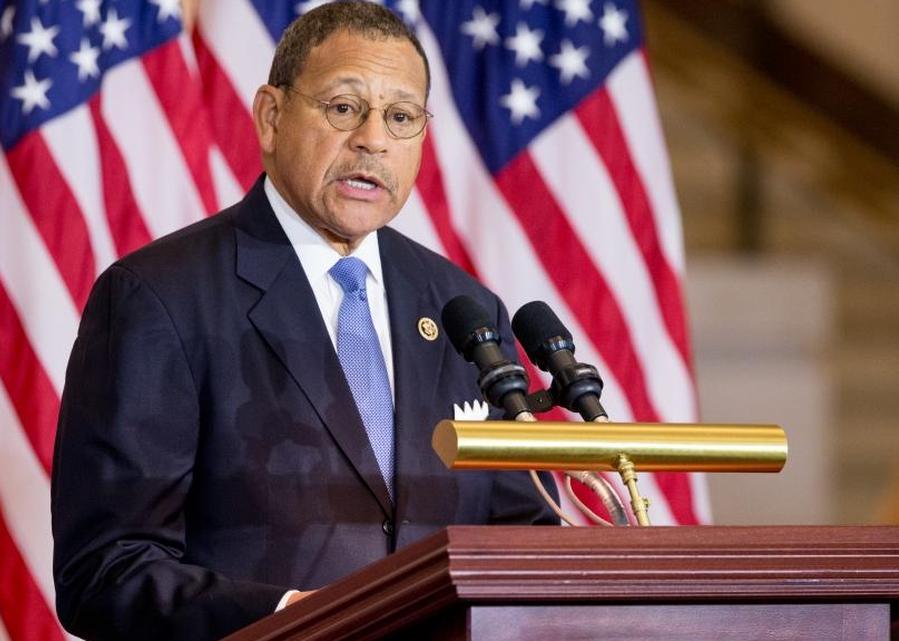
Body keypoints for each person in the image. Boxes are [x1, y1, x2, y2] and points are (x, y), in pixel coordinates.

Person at [51, 3, 559, 640]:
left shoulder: (464, 310)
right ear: (271, 116)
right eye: (345, 108)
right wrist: (297, 621)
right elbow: (105, 570)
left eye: (400, 117)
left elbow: (524, 539)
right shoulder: (158, 297)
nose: (373, 139)